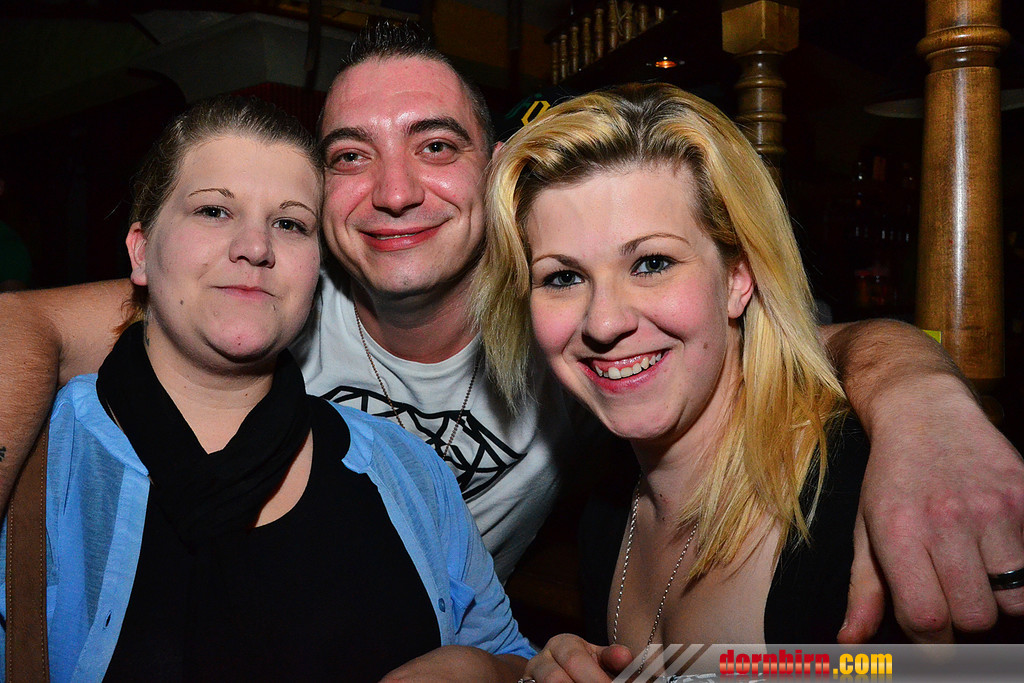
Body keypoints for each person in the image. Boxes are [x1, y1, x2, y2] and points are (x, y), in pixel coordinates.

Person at [0, 21, 1022, 643]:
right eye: (350, 156)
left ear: (495, 176)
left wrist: (922, 398)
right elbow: (26, 320)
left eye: (435, 145)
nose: (394, 190)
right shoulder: (271, 299)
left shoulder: (569, 343)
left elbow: (792, 342)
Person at [477, 83, 1016, 680]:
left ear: (738, 278)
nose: (604, 322)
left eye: (652, 264)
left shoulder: (860, 498)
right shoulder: (606, 514)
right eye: (562, 277)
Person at [0, 96, 531, 681]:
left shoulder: (408, 470)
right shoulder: (38, 458)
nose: (255, 247)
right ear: (141, 251)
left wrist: (478, 668)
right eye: (214, 211)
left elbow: (514, 655)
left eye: (290, 223)